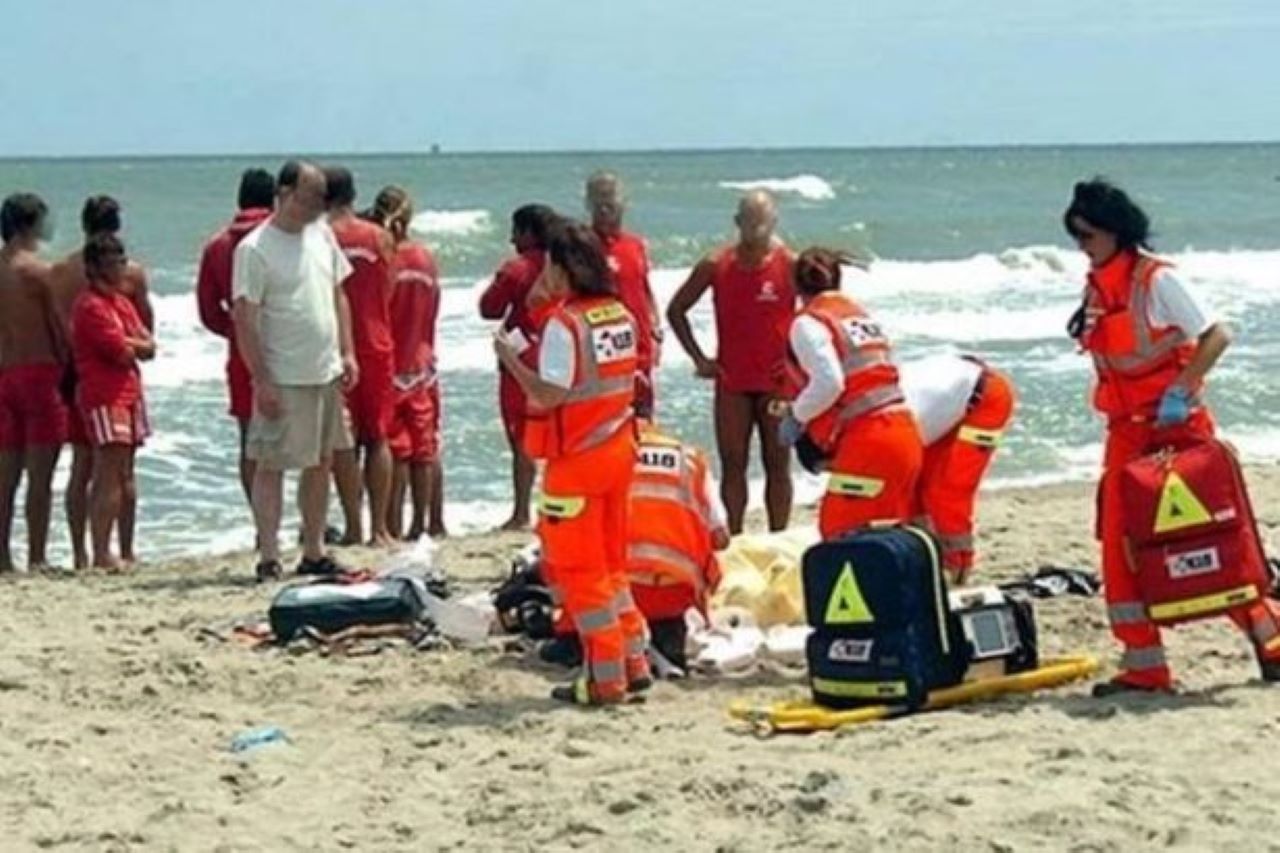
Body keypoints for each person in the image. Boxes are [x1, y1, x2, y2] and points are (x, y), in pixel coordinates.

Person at [1064, 178, 1280, 694]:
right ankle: (1145, 665)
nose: (1082, 247)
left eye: (1087, 236)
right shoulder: (1098, 286)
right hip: (1125, 433)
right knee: (1121, 546)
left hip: (1175, 429)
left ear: (1117, 232)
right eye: (1076, 237)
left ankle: (1273, 642)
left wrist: (1182, 391)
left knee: (1205, 541)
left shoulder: (1156, 281)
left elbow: (1217, 334)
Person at [493, 219, 650, 706]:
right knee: (611, 566)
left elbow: (550, 390)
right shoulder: (617, 314)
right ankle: (634, 661)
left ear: (562, 267)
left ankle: (605, 679)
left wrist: (511, 360)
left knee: (579, 573)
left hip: (576, 461)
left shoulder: (568, 324)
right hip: (617, 451)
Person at [232, 160, 359, 581]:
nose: (314, 209)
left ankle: (314, 549)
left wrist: (348, 352)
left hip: (325, 369)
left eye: (319, 201)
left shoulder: (321, 235)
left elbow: (338, 294)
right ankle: (269, 555)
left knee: (321, 461)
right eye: (307, 199)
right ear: (284, 194)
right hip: (284, 374)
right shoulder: (254, 248)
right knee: (272, 464)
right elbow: (245, 317)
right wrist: (261, 378)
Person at [667, 190, 795, 534]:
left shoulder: (789, 264)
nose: (756, 228)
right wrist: (699, 358)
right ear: (738, 222)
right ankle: (736, 534)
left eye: (763, 221)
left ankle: (778, 536)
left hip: (776, 384)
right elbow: (676, 310)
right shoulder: (715, 264)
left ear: (774, 222)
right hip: (732, 382)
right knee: (733, 462)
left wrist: (798, 364)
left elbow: (815, 315)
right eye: (749, 220)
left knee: (778, 463)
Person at [776, 247, 923, 539]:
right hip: (904, 432)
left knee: (839, 533)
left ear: (795, 286)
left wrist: (796, 413)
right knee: (883, 532)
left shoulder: (808, 323)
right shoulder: (858, 318)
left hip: (872, 439)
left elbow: (829, 383)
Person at [52, 195, 155, 567]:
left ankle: (82, 553)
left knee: (84, 467)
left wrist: (135, 344)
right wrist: (134, 344)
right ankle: (115, 549)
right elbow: (140, 336)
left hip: (69, 375)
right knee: (115, 469)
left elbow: (144, 340)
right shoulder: (129, 278)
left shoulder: (60, 270)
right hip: (98, 379)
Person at [364, 186, 441, 541]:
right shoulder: (425, 258)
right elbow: (433, 311)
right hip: (422, 362)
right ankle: (422, 524)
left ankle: (390, 524)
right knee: (425, 450)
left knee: (393, 451)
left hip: (391, 365)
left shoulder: (386, 259)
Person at [899, 353, 1017, 584]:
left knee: (949, 489)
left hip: (986, 397)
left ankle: (958, 567)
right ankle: (929, 562)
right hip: (945, 399)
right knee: (914, 489)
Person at [196, 168, 275, 510]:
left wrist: (234, 329)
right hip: (287, 342)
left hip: (242, 348)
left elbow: (208, 308)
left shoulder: (217, 245)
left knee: (249, 441)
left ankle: (262, 521)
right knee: (301, 439)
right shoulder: (282, 237)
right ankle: (306, 523)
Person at [325, 166, 396, 547]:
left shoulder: (320, 236)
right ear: (353, 196)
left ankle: (353, 525)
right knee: (378, 437)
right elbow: (390, 288)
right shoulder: (379, 237)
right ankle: (380, 529)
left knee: (344, 441)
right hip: (377, 342)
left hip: (336, 344)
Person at [627, 412, 729, 669]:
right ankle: (669, 640)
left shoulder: (607, 459)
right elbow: (721, 537)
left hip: (620, 592)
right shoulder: (690, 459)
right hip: (675, 590)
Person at [479, 204, 556, 531]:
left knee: (521, 439)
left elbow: (489, 308)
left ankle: (522, 512)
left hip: (522, 358)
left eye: (516, 231)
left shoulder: (517, 268)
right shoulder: (564, 265)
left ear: (528, 233)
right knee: (558, 438)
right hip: (559, 354)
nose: (511, 239)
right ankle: (554, 509)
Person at [0, 194, 66, 573]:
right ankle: (37, 556)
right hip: (40, 372)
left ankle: (3, 556)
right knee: (41, 474)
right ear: (31, 224)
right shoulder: (38, 271)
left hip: (6, 372)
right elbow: (58, 328)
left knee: (7, 474)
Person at [586, 172, 660, 414]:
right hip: (604, 356)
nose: (604, 208)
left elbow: (644, 289)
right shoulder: (582, 245)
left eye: (610, 201)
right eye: (598, 202)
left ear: (623, 202)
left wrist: (656, 329)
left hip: (640, 353)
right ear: (588, 203)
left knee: (643, 427)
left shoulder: (635, 244)